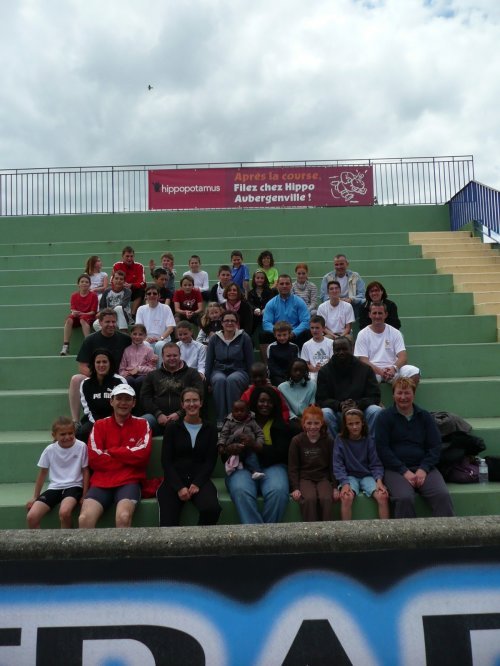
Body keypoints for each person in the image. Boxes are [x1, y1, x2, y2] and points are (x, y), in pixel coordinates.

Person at [375, 377, 455, 519]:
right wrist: (404, 471)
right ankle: (407, 534)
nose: (403, 397)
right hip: (396, 469)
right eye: (399, 393)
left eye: (407, 393)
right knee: (404, 498)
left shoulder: (424, 416)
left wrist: (424, 468)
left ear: (414, 394)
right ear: (393, 395)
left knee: (442, 495)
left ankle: (445, 533)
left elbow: (435, 446)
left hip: (423, 467)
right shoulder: (384, 417)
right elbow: (383, 449)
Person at [79, 384, 152, 528]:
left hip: (129, 480)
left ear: (134, 403)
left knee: (123, 517)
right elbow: (94, 459)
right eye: (119, 398)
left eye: (127, 399)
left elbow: (142, 456)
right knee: (84, 518)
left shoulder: (143, 424)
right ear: (111, 401)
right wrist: (128, 453)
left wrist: (111, 451)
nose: (123, 403)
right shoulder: (99, 425)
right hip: (101, 482)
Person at [224, 386, 291, 524]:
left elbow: (281, 454)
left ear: (275, 404)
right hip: (242, 467)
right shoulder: (236, 421)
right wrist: (230, 449)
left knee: (278, 491)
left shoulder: (280, 425)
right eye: (261, 401)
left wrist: (256, 446)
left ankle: (265, 534)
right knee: (240, 490)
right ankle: (256, 534)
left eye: (270, 402)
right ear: (254, 402)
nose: (265, 405)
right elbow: (224, 451)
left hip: (273, 466)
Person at [156, 387, 221, 527]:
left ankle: (197, 540)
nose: (192, 404)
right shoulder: (172, 428)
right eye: (187, 401)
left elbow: (210, 461)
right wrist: (179, 487)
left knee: (211, 509)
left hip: (199, 480)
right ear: (182, 404)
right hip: (174, 480)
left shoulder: (210, 429)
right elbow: (166, 462)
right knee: (168, 523)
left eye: (195, 400)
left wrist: (197, 483)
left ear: (201, 403)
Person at [68, 308, 131, 426]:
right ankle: (75, 421)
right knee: (76, 379)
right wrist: (100, 375)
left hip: (118, 377)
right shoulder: (90, 340)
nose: (111, 325)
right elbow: (82, 367)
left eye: (113, 322)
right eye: (107, 322)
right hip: (96, 376)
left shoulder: (125, 339)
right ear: (100, 323)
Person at [26, 417, 89, 529]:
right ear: (54, 435)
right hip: (54, 488)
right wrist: (35, 496)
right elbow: (42, 473)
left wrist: (84, 495)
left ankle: (66, 539)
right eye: (63, 434)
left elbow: (85, 471)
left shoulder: (81, 446)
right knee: (32, 516)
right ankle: (38, 540)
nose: (67, 437)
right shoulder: (50, 450)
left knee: (64, 512)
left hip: (74, 486)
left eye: (70, 433)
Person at [316, 336, 382, 438]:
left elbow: (375, 396)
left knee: (376, 411)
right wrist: (339, 405)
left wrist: (357, 404)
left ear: (352, 349)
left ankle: (370, 444)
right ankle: (335, 445)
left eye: (344, 349)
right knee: (325, 413)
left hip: (361, 411)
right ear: (333, 351)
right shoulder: (324, 371)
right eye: (337, 350)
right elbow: (321, 399)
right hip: (337, 412)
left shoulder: (366, 369)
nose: (341, 352)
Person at [333, 408, 389, 520]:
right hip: (349, 476)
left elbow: (376, 464)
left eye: (357, 423)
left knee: (382, 496)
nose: (354, 427)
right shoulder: (340, 440)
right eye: (350, 424)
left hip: (367, 476)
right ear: (345, 425)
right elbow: (338, 465)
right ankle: (347, 530)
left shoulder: (369, 439)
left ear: (362, 423)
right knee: (346, 497)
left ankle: (386, 529)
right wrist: (345, 483)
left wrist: (379, 481)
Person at [141, 343, 204, 436]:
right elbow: (145, 397)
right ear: (162, 356)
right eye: (168, 356)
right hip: (157, 419)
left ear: (180, 355)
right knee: (143, 421)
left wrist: (179, 414)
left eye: (175, 355)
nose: (172, 358)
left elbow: (200, 396)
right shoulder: (152, 375)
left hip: (184, 418)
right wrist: (158, 414)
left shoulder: (192, 374)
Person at [205, 311, 254, 428]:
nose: (229, 323)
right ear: (221, 323)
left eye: (232, 321)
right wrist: (208, 382)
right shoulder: (214, 338)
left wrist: (252, 382)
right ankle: (221, 419)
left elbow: (250, 360)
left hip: (239, 370)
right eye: (226, 320)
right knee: (219, 380)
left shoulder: (244, 337)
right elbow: (209, 361)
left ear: (237, 323)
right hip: (219, 370)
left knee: (232, 380)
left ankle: (234, 417)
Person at [288, 406, 337, 521]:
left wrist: (335, 487)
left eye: (316, 423)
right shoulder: (297, 441)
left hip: (323, 477)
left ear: (321, 423)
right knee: (309, 499)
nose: (313, 427)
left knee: (326, 498)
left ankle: (327, 528)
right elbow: (293, 467)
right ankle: (312, 530)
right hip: (305, 478)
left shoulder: (328, 441)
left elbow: (333, 466)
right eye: (309, 423)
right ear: (304, 424)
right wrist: (295, 488)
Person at [354, 302, 419, 383]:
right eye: (374, 313)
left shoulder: (395, 332)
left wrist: (394, 368)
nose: (377, 316)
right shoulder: (362, 334)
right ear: (369, 315)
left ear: (386, 315)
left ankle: (402, 392)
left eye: (380, 313)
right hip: (373, 371)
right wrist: (380, 372)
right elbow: (363, 360)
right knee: (364, 375)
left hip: (393, 370)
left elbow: (403, 357)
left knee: (414, 372)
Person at [78, 348, 127, 442]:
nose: (101, 365)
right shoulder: (86, 384)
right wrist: (99, 424)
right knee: (83, 432)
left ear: (110, 363)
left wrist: (111, 423)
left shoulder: (120, 381)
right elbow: (88, 410)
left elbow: (123, 405)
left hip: (117, 420)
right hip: (94, 420)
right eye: (98, 362)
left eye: (104, 362)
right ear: (93, 364)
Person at [261, 274, 311, 357]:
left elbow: (306, 321)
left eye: (287, 284)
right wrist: (278, 333)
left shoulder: (299, 302)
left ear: (291, 285)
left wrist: (294, 333)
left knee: (307, 333)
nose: (284, 286)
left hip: (294, 334)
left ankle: (303, 361)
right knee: (263, 335)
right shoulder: (271, 303)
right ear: (277, 285)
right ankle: (267, 363)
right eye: (281, 284)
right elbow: (266, 323)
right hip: (277, 335)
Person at [218, 399, 265, 479]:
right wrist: (221, 445)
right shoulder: (229, 422)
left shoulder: (251, 421)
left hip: (248, 446)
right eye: (236, 411)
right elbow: (223, 435)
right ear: (232, 411)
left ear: (248, 412)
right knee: (234, 457)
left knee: (252, 456)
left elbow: (259, 433)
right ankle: (234, 467)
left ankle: (255, 471)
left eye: (242, 411)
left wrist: (258, 443)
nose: (239, 413)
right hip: (234, 446)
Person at [60, 273, 98, 356]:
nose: (84, 283)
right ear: (78, 284)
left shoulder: (93, 295)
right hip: (78, 317)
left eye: (87, 282)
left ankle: (88, 345)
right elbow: (73, 310)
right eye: (82, 282)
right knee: (69, 319)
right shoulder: (74, 295)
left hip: (88, 317)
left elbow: (93, 312)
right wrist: (74, 313)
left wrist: (82, 313)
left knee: (83, 318)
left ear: (90, 284)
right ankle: (65, 346)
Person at [135, 284, 176, 358]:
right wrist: (145, 338)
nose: (152, 295)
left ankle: (160, 365)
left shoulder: (166, 308)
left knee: (159, 344)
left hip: (163, 340)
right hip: (146, 339)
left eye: (154, 293)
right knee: (145, 344)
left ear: (159, 296)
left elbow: (170, 328)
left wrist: (161, 338)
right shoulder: (141, 309)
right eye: (149, 293)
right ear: (145, 296)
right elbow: (139, 328)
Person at [118, 323, 157, 395]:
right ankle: (131, 399)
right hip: (129, 375)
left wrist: (139, 369)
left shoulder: (149, 350)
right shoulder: (127, 350)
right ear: (130, 335)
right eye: (135, 334)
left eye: (140, 334)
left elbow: (153, 369)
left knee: (140, 380)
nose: (137, 337)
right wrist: (126, 373)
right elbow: (122, 369)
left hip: (143, 375)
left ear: (145, 336)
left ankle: (140, 400)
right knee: (129, 380)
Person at [278, 359, 316, 428]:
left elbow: (312, 405)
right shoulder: (282, 387)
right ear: (290, 370)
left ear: (305, 371)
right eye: (295, 370)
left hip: (309, 418)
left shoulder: (312, 385)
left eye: (301, 370)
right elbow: (286, 408)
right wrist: (295, 418)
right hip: (291, 419)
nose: (298, 373)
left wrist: (306, 419)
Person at [112, 245, 146, 316]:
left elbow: (142, 283)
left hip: (133, 290)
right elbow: (113, 281)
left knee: (141, 292)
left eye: (131, 256)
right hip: (121, 289)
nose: (129, 258)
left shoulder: (139, 266)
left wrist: (131, 285)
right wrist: (122, 285)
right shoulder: (117, 265)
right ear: (122, 256)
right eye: (127, 256)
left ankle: (132, 315)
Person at [300, 315, 334, 382]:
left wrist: (323, 368)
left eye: (317, 328)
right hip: (313, 374)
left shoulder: (331, 343)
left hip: (328, 372)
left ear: (323, 328)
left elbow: (332, 360)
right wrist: (315, 369)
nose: (314, 330)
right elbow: (305, 363)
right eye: (312, 328)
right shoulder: (306, 345)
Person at [267, 321, 299, 386]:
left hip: (291, 375)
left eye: (284, 335)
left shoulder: (294, 347)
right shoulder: (271, 347)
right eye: (279, 335)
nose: (282, 338)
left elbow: (296, 364)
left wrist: (290, 375)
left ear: (289, 334)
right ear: (275, 335)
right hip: (277, 376)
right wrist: (283, 376)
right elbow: (271, 366)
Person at [247, 270, 275, 334]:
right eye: (258, 278)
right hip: (255, 319)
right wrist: (255, 309)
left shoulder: (270, 291)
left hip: (268, 317)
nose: (260, 280)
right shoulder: (251, 293)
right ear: (254, 279)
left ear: (265, 280)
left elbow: (271, 302)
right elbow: (249, 304)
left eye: (262, 278)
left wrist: (266, 309)